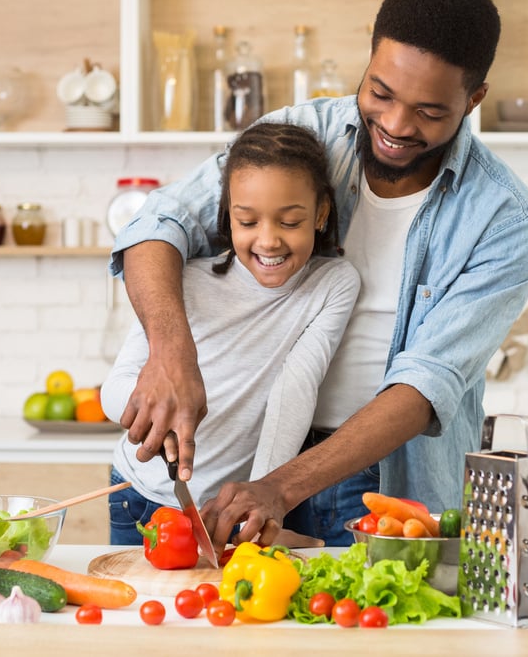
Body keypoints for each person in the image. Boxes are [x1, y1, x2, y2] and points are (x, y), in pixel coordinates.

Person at [109, 0, 528, 548]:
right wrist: (169, 353)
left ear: (473, 100)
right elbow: (157, 225)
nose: (395, 125)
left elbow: (425, 386)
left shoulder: (506, 220)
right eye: (382, 93)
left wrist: (280, 486)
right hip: (245, 461)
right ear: (368, 57)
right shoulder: (299, 134)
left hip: (378, 486)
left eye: (430, 112)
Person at [101, 122, 360, 544]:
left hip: (227, 509)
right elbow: (114, 389)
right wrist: (154, 417)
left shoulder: (333, 284)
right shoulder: (184, 279)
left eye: (290, 222)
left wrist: (259, 504)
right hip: (140, 498)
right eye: (248, 221)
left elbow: (295, 391)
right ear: (227, 215)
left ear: (321, 213)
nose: (268, 240)